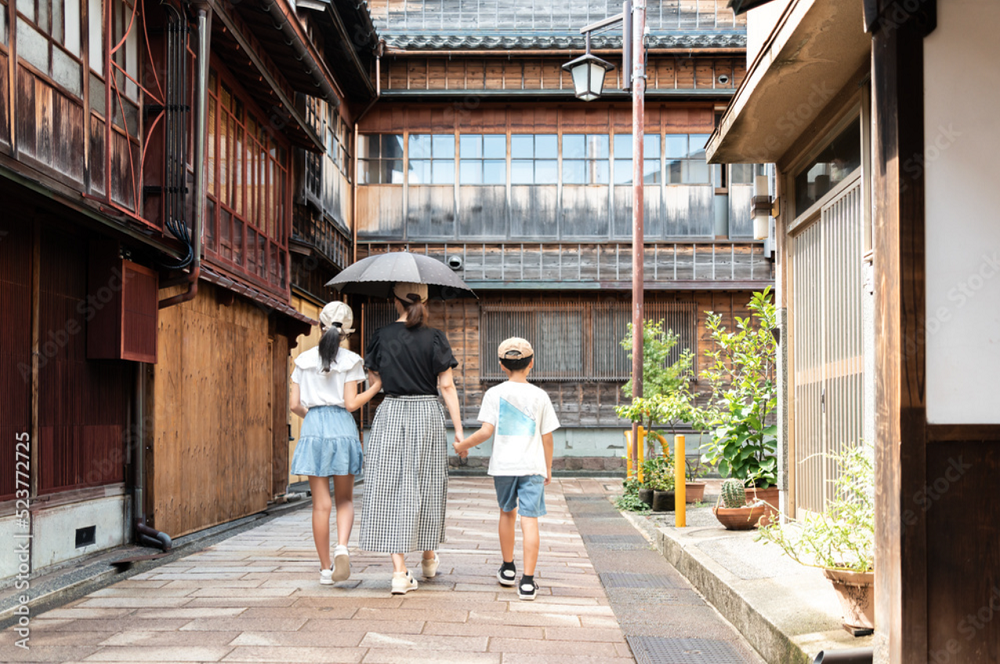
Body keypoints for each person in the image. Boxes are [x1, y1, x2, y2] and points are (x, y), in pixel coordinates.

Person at [360, 282, 464, 595]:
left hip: (391, 412)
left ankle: (398, 572)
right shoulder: (434, 337)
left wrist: (385, 380)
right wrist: (459, 429)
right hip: (426, 414)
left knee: (390, 484)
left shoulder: (381, 335)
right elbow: (446, 386)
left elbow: (374, 377)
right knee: (427, 482)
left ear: (395, 301)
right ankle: (428, 557)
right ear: (425, 300)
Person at [453, 337, 559, 601]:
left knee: (507, 513)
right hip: (532, 467)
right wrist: (548, 468)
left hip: (504, 466)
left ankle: (509, 568)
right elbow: (547, 437)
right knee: (530, 520)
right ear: (531, 363)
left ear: (502, 365)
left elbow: (485, 432)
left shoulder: (494, 394)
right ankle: (528, 582)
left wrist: (462, 445)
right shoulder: (540, 395)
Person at [289, 301, 382, 586]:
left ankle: (326, 569)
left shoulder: (302, 360)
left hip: (315, 427)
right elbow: (351, 404)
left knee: (321, 505)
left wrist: (315, 415)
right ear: (347, 332)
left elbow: (294, 405)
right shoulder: (352, 360)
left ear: (320, 325)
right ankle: (342, 546)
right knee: (345, 499)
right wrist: (376, 386)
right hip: (343, 426)